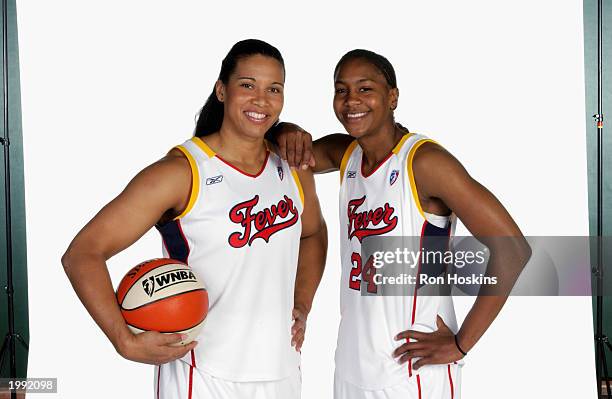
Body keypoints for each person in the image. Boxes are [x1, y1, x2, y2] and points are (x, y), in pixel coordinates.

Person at [61, 39, 327, 399]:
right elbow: (83, 253)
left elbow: (312, 233)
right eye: (247, 85)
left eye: (273, 89)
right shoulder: (182, 172)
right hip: (200, 374)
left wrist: (303, 304)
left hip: (282, 373)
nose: (261, 100)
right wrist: (123, 341)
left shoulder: (293, 167)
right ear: (222, 90)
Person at [276, 49, 531, 399]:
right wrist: (286, 128)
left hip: (413, 371)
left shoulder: (424, 162)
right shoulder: (347, 154)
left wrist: (460, 344)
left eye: (365, 89)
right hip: (353, 366)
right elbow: (288, 150)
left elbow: (513, 249)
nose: (352, 100)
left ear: (392, 96)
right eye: (341, 90)